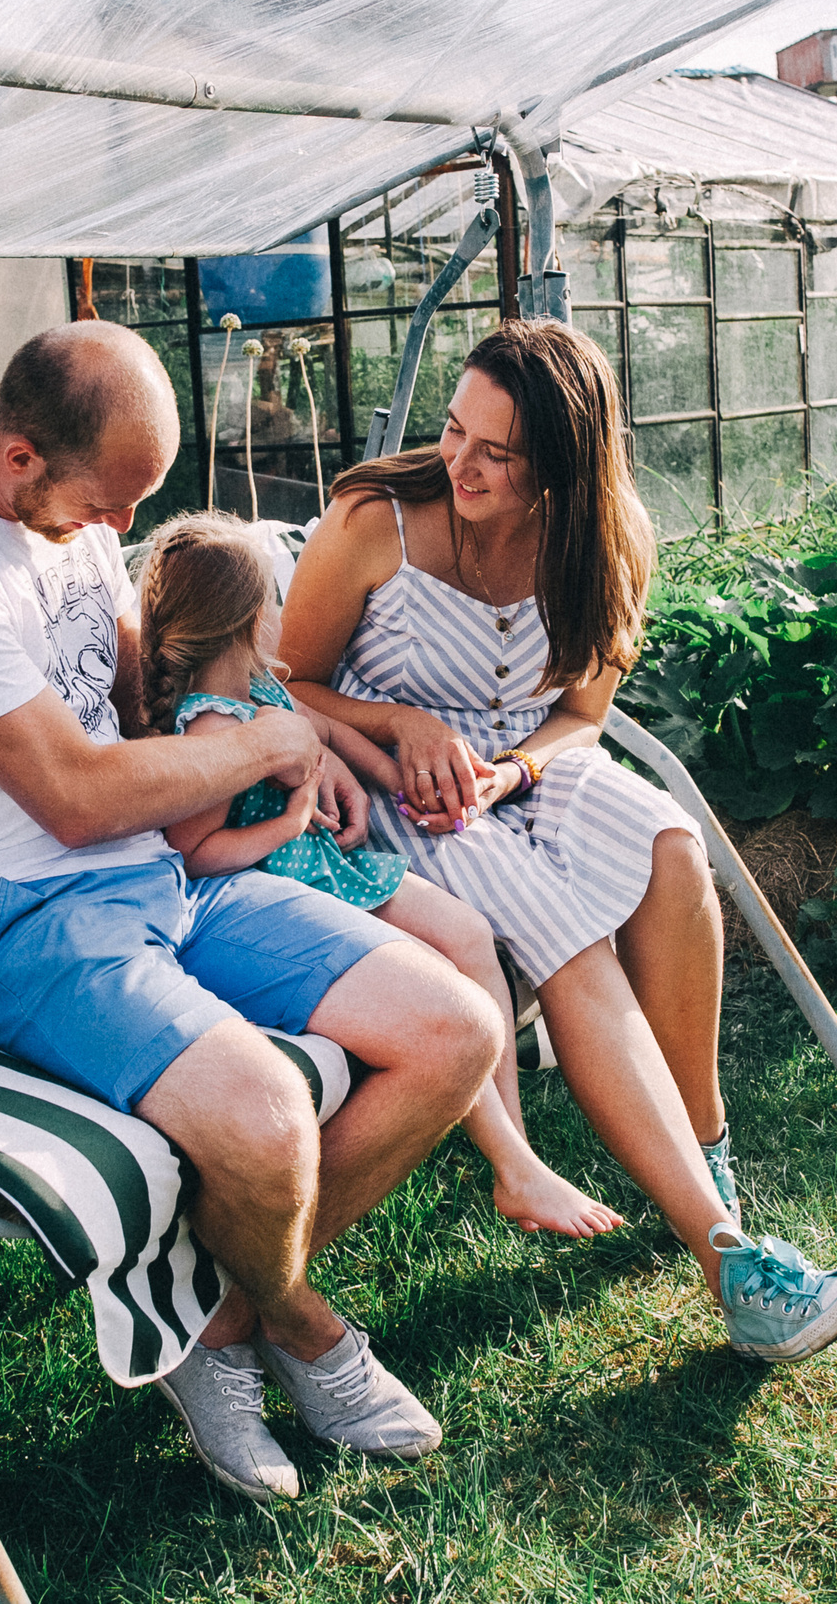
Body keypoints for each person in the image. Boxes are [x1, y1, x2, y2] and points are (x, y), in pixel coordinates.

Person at [0, 321, 508, 1502]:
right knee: (261, 1121)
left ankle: (217, 1318)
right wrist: (262, 742)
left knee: (454, 1029)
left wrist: (307, 749)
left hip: (166, 879)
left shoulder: (69, 513)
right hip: (11, 920)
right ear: (19, 457)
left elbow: (159, 692)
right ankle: (302, 1330)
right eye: (105, 509)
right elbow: (79, 797)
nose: (114, 537)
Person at [277, 318, 837, 1364]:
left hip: (522, 772)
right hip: (402, 794)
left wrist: (515, 769)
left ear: (561, 464)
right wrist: (403, 726)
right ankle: (728, 1258)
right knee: (568, 936)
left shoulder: (610, 538)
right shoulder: (375, 520)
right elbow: (285, 681)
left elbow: (581, 717)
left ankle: (702, 1155)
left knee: (668, 845)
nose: (458, 462)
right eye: (454, 430)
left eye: (495, 452)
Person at [134, 509, 621, 1240]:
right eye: (273, 599)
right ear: (245, 617)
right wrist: (284, 825)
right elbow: (195, 850)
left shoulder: (265, 689)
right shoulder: (210, 728)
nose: (280, 613)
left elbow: (328, 731)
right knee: (437, 970)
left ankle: (515, 1152)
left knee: (469, 933)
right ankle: (512, 1163)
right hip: (275, 891)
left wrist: (400, 780)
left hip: (332, 867)